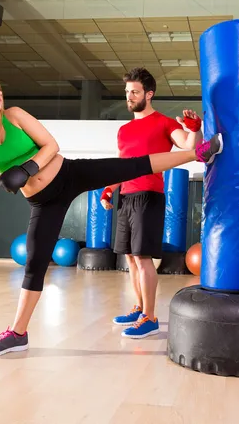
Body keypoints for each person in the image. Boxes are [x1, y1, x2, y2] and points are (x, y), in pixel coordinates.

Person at [0, 68, 224, 357]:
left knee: (130, 165)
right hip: (43, 203)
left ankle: (198, 153)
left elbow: (51, 145)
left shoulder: (15, 116)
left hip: (69, 173)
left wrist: (27, 169)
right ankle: (18, 334)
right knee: (35, 263)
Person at [100, 67, 204, 339]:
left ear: (149, 94)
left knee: (143, 258)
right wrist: (110, 188)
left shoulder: (164, 122)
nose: (129, 97)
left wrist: (194, 128)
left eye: (134, 92)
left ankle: (151, 317)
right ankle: (139, 308)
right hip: (126, 197)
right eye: (127, 92)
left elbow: (186, 146)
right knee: (131, 259)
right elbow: (122, 165)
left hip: (149, 196)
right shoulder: (123, 130)